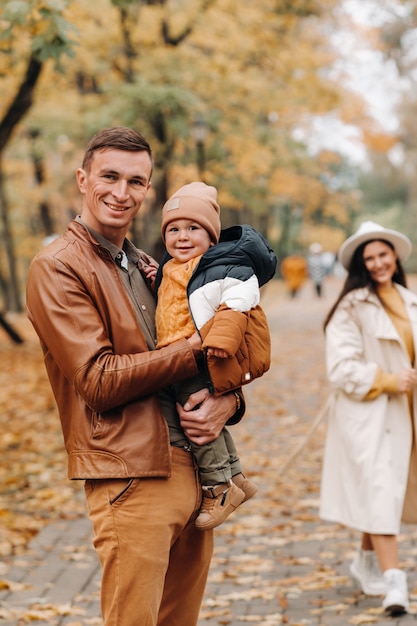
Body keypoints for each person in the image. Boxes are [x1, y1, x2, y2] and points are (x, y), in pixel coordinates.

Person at [25, 127, 247, 626]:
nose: (121, 193)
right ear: (83, 179)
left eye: (136, 181)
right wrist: (196, 347)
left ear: (148, 190)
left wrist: (228, 403)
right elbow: (99, 380)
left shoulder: (153, 266)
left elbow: (220, 353)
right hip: (131, 476)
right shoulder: (58, 267)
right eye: (109, 176)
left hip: (196, 471)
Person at [150, 182, 276, 531]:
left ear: (211, 237)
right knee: (203, 415)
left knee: (196, 420)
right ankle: (237, 475)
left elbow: (239, 300)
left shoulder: (222, 266)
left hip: (200, 355)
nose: (182, 236)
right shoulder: (174, 267)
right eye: (173, 229)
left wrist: (217, 339)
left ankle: (219, 487)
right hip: (178, 354)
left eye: (193, 228)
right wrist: (155, 277)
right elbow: (173, 294)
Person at [319, 221, 417, 615]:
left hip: (407, 410)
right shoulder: (351, 306)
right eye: (370, 258)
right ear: (361, 264)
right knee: (379, 485)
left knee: (387, 488)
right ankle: (395, 582)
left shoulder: (410, 300)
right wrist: (388, 379)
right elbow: (341, 368)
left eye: (383, 254)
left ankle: (364, 562)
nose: (378, 263)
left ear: (394, 256)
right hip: (370, 411)